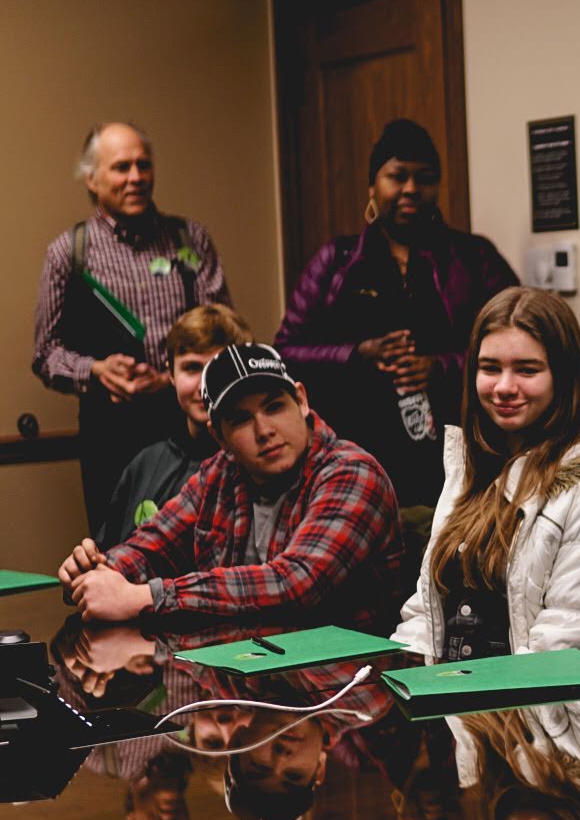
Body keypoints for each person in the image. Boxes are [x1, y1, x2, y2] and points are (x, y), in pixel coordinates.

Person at [56, 343, 403, 636]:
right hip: (244, 682)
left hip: (345, 690)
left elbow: (294, 584)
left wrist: (147, 596)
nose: (264, 430)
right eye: (240, 419)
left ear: (301, 400)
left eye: (274, 406)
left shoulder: (351, 471)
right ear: (218, 437)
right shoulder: (221, 473)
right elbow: (152, 547)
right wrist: (100, 572)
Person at [274, 118, 519, 509]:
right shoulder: (336, 260)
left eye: (424, 178)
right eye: (397, 176)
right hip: (354, 454)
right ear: (373, 185)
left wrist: (439, 366)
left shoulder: (473, 258)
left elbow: (519, 347)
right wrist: (358, 353)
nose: (410, 189)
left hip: (459, 452)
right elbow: (286, 350)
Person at [390, 287, 580, 666]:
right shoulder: (469, 470)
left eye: (527, 370)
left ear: (563, 375)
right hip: (453, 705)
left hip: (531, 715)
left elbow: (562, 647)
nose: (504, 387)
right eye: (490, 368)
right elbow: (426, 610)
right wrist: (400, 681)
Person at [33, 121, 232, 530]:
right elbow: (45, 354)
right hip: (111, 434)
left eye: (144, 165)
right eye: (121, 167)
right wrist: (97, 372)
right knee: (118, 547)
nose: (136, 177)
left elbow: (224, 333)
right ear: (92, 178)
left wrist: (169, 378)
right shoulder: (70, 253)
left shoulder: (190, 239)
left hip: (192, 425)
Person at [96, 304, 253, 549]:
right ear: (170, 373)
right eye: (192, 368)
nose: (204, 386)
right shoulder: (145, 464)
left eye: (217, 368)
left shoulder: (255, 466)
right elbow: (109, 549)